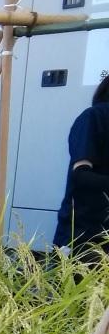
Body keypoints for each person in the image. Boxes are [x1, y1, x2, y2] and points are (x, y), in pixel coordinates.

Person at [53, 75, 109, 259]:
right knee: (73, 285)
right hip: (83, 231)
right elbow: (81, 175)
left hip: (98, 230)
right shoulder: (93, 118)